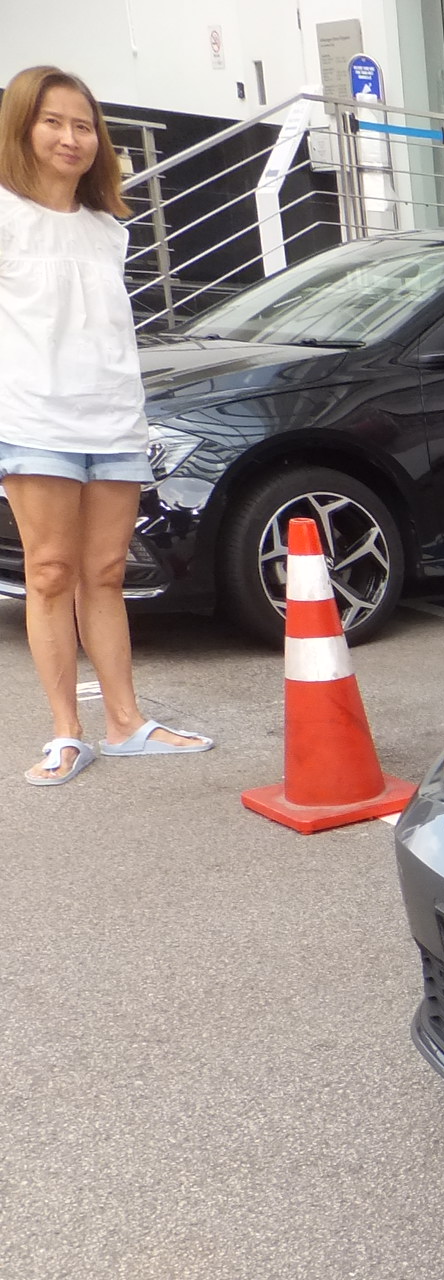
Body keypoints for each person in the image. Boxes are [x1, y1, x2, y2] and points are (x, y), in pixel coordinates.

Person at [0, 64, 210, 785]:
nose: (71, 137)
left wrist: (132, 418)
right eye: (53, 122)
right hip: (35, 419)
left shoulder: (106, 229)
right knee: (50, 573)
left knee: (106, 574)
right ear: (22, 127)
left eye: (83, 126)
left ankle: (127, 723)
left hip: (115, 420)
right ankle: (66, 732)